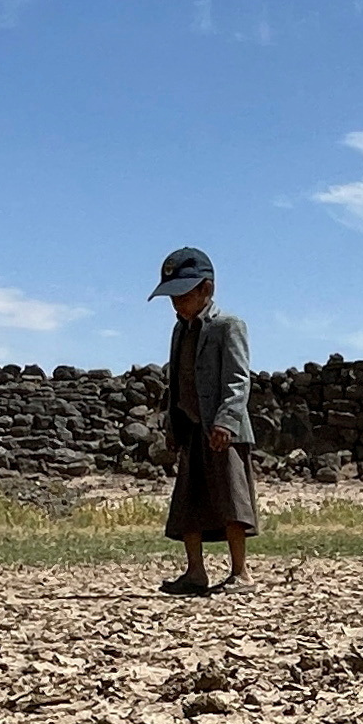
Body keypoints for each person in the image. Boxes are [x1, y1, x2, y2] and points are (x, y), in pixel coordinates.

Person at [156, 244, 256, 595]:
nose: (177, 303)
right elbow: (177, 382)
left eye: (183, 294)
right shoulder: (180, 330)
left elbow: (238, 378)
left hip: (222, 430)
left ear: (206, 290)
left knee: (232, 499)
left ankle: (240, 572)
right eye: (172, 297)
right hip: (191, 426)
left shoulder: (228, 326)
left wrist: (226, 421)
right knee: (189, 503)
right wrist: (173, 423)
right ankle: (195, 571)